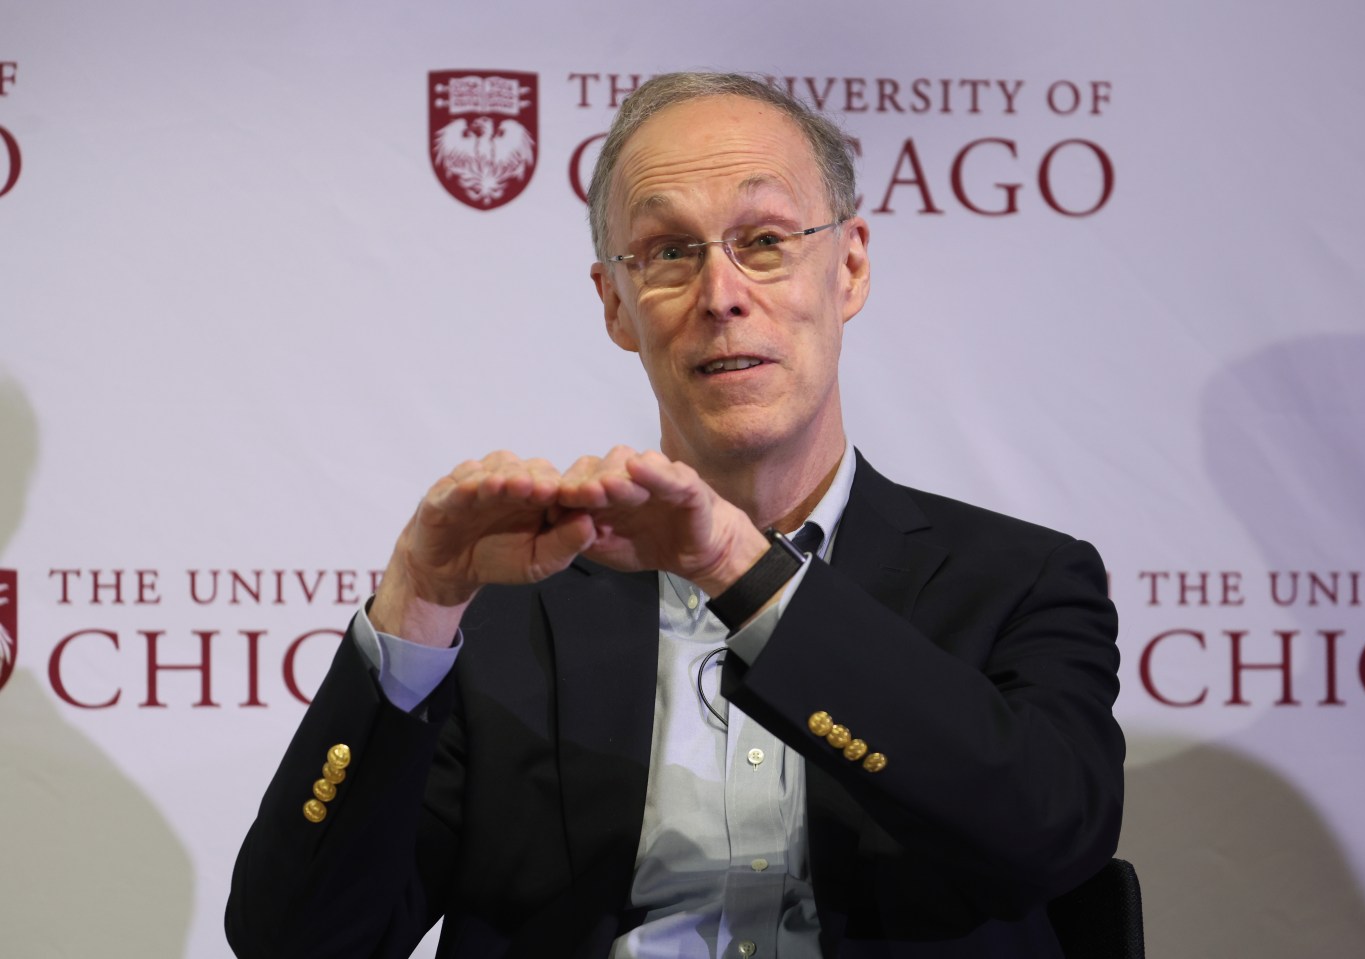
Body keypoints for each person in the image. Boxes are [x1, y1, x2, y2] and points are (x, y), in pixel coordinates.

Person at [227, 71, 1124, 959]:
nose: (720, 293)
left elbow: (1048, 834)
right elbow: (298, 942)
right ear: (614, 305)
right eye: (668, 252)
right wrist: (417, 605)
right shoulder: (505, 609)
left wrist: (743, 571)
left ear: (848, 267)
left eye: (764, 241)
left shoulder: (1019, 582)